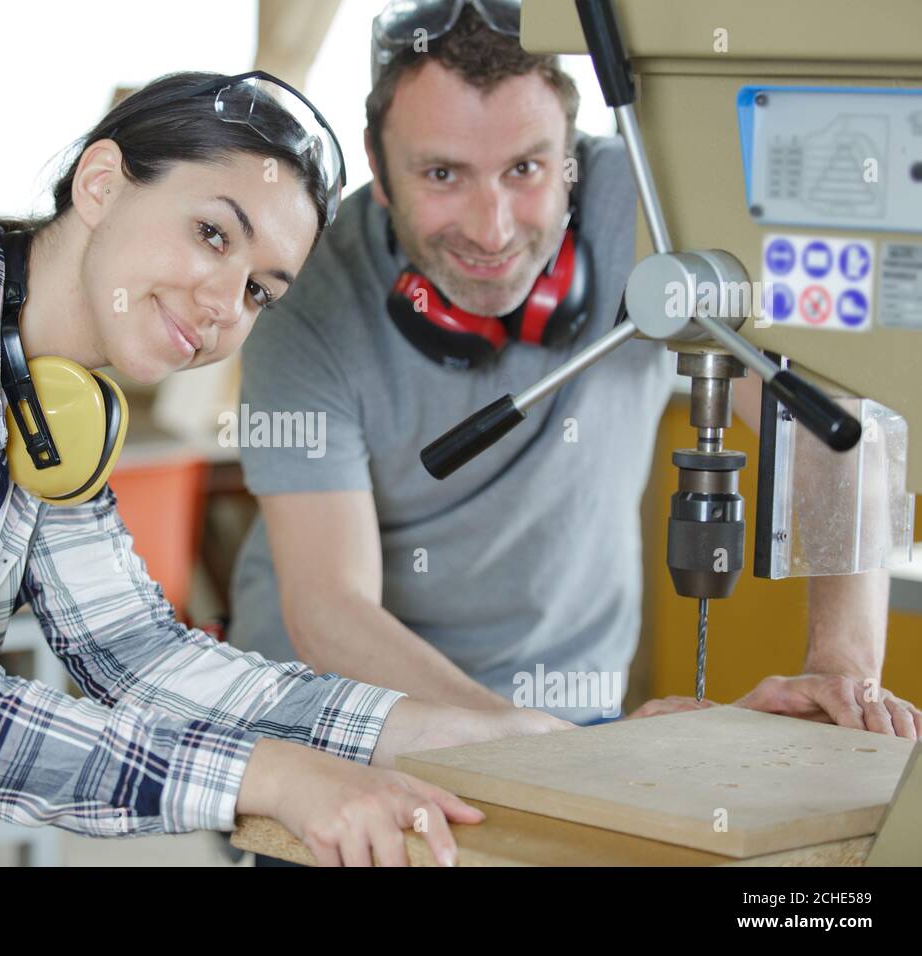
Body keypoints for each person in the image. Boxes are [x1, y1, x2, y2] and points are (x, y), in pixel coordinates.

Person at [0, 69, 569, 869]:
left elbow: (140, 657)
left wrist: (468, 731)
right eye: (212, 233)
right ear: (102, 182)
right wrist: (272, 776)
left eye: (258, 290)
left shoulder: (50, 397)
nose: (223, 305)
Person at [228, 3, 921, 739]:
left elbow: (829, 435)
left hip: (566, 700)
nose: (492, 229)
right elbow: (331, 608)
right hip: (342, 718)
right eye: (442, 173)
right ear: (378, 167)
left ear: (572, 159)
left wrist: (842, 669)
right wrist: (542, 747)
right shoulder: (304, 286)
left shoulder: (655, 209)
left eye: (525, 168)